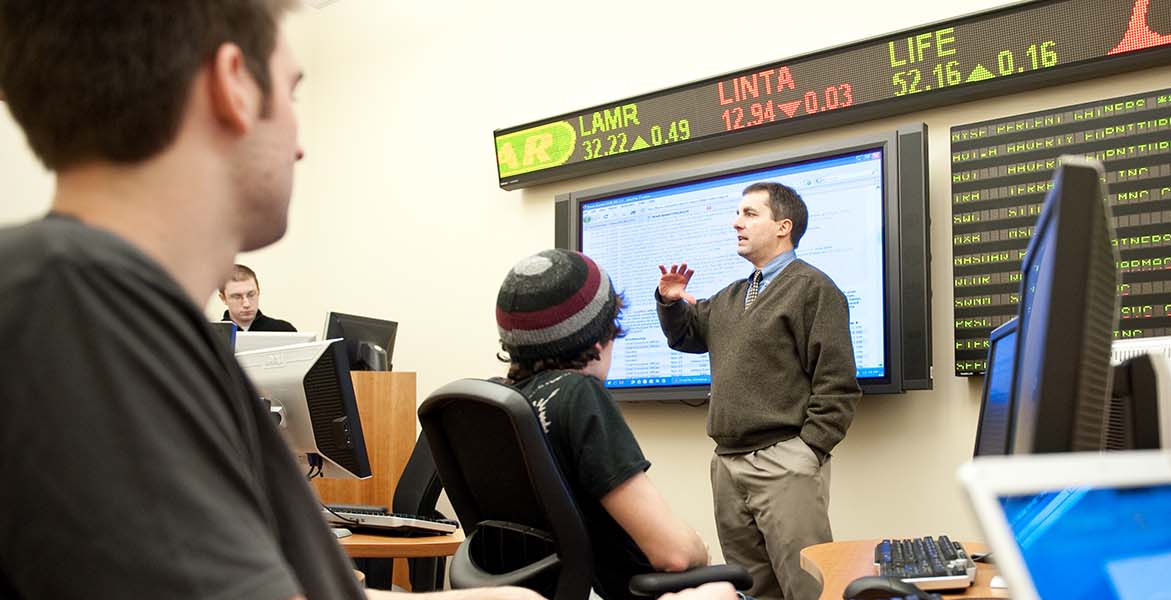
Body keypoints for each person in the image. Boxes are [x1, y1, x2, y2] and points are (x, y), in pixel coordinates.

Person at [0, 2, 537, 598]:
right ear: (233, 84)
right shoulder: (82, 321)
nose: (300, 146)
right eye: (293, 93)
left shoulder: (91, 306)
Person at [656, 182, 861, 600]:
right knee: (751, 590)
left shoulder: (813, 289)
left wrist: (809, 450)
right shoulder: (731, 296)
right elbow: (686, 336)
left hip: (784, 461)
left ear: (783, 226)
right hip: (727, 466)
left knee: (809, 588)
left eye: (750, 214)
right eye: (738, 213)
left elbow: (838, 383)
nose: (737, 222)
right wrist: (671, 302)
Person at [496, 248, 713, 600]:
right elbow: (674, 555)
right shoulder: (579, 394)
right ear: (598, 339)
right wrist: (699, 548)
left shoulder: (509, 402)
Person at [220, 263, 299, 331]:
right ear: (223, 299)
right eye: (237, 297)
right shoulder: (212, 337)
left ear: (258, 292)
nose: (246, 304)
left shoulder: (284, 331)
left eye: (251, 295)